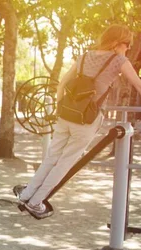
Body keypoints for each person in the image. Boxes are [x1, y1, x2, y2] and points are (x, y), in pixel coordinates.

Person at [15, 24, 141, 219]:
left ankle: (26, 194)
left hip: (66, 115)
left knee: (52, 157)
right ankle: (36, 202)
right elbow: (138, 84)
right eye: (127, 44)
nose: (128, 48)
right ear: (118, 43)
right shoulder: (119, 60)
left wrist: (59, 108)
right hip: (86, 120)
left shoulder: (84, 56)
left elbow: (63, 82)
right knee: (65, 163)